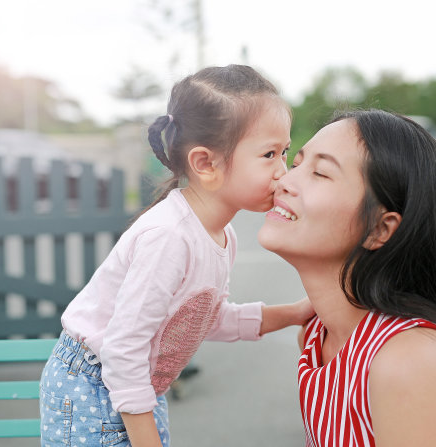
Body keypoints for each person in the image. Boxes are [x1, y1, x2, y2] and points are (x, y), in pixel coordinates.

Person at [39, 64, 314, 447]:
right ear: (206, 164)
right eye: (269, 154)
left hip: (134, 382)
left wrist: (292, 313)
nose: (283, 172)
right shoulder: (169, 237)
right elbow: (123, 348)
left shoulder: (221, 234)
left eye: (284, 152)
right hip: (94, 383)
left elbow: (200, 319)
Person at [258, 109, 436, 446]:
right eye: (297, 163)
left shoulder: (413, 362)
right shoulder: (318, 335)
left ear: (381, 229)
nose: (284, 181)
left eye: (319, 172)